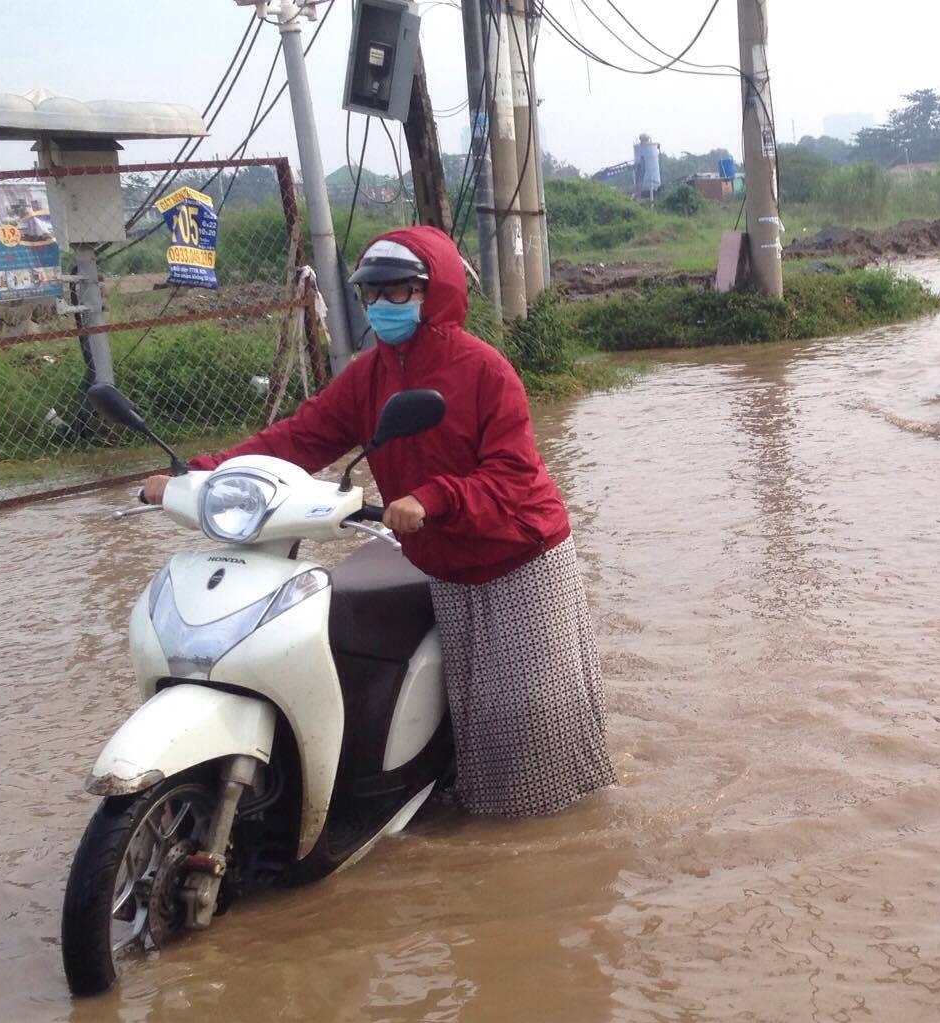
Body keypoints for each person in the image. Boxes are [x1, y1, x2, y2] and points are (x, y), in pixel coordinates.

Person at [141, 226, 617, 816]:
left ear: (434, 291)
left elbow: (513, 475)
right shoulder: (369, 375)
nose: (383, 306)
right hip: (444, 562)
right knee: (477, 722)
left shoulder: (484, 371)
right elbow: (300, 437)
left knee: (524, 726)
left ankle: (553, 834)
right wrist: (204, 475)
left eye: (400, 292)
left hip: (517, 560)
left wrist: (431, 497)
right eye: (373, 294)